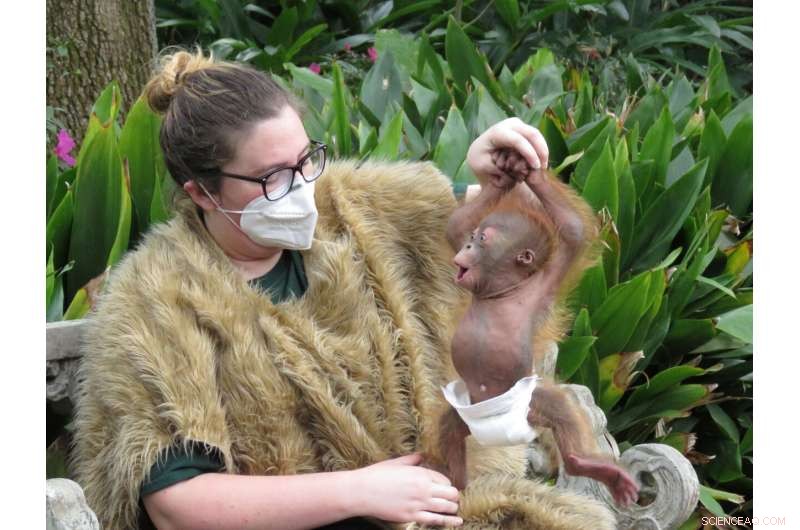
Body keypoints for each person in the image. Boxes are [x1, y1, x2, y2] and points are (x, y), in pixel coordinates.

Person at [70, 49, 616, 530]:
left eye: (306, 160)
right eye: (273, 178)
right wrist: (359, 491)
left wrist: (496, 174)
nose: (304, 188)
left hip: (446, 508)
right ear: (202, 193)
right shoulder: (158, 301)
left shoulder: (361, 208)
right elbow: (178, 505)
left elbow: (531, 233)